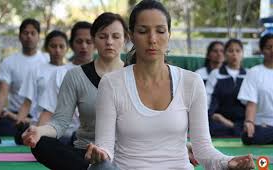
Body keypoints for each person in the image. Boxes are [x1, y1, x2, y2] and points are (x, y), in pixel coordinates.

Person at [85, 0, 255, 170]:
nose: (152, 39)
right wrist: (99, 155)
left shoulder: (192, 82)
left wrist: (228, 162)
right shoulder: (112, 83)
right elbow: (105, 148)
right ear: (131, 36)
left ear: (169, 35)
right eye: (143, 31)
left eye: (160, 31)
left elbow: (203, 150)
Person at [22, 12, 128, 170]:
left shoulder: (135, 73)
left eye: (116, 36)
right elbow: (60, 123)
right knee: (41, 143)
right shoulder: (75, 75)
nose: (109, 42)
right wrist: (39, 130)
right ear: (94, 39)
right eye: (103, 36)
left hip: (125, 152)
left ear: (125, 39)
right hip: (85, 154)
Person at [0, 18, 49, 137]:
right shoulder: (9, 62)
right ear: (20, 36)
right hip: (14, 115)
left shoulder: (47, 60)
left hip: (41, 116)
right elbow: (3, 93)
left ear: (38, 37)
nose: (29, 36)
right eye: (26, 33)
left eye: (33, 33)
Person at [37, 21, 94, 145]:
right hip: (66, 135)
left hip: (97, 137)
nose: (84, 46)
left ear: (95, 44)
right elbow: (48, 110)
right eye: (79, 42)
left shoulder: (106, 74)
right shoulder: (60, 73)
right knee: (43, 143)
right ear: (71, 45)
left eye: (89, 42)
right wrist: (37, 134)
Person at [11, 30, 68, 144]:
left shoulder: (72, 71)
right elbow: (27, 102)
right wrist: (19, 121)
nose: (57, 50)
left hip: (65, 124)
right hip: (40, 123)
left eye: (61, 46)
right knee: (20, 135)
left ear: (67, 48)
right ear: (47, 48)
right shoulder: (36, 70)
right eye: (53, 46)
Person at [206, 39, 246, 137]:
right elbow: (207, 99)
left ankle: (234, 127)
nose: (234, 54)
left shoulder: (249, 75)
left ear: (242, 54)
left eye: (238, 51)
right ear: (225, 54)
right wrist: (215, 116)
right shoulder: (215, 74)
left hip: (242, 121)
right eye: (230, 51)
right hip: (219, 120)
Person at [238, 33, 273, 145]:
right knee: (248, 136)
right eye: (269, 47)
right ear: (262, 50)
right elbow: (251, 102)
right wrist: (249, 122)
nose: (272, 50)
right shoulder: (254, 72)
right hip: (262, 125)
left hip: (267, 132)